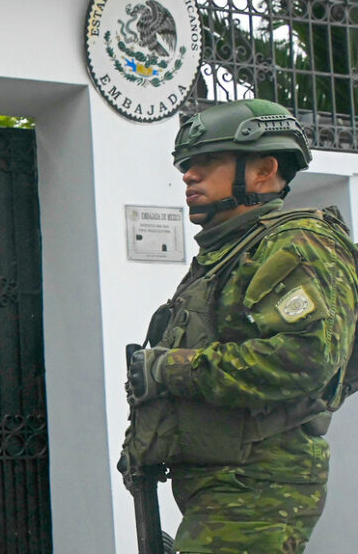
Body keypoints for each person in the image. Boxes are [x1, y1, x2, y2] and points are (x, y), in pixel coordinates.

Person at [121, 99, 358, 553]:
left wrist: (168, 369)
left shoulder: (296, 245)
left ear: (264, 170)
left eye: (207, 162)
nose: (189, 175)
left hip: (258, 484)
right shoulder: (230, 252)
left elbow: (306, 359)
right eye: (187, 165)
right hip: (221, 481)